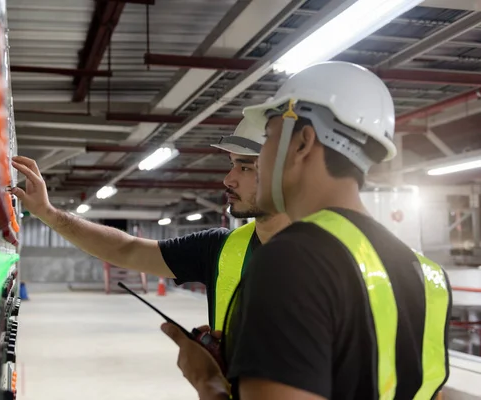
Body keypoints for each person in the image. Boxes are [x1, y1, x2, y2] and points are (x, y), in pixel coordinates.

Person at [161, 61, 451, 400]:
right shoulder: (427, 275)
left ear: (302, 143)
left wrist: (206, 379)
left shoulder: (291, 260)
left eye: (267, 137)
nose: (262, 153)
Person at [11, 119, 291, 330]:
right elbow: (126, 249)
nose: (228, 179)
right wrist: (49, 214)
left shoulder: (329, 259)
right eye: (231, 164)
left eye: (245, 167)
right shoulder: (221, 248)